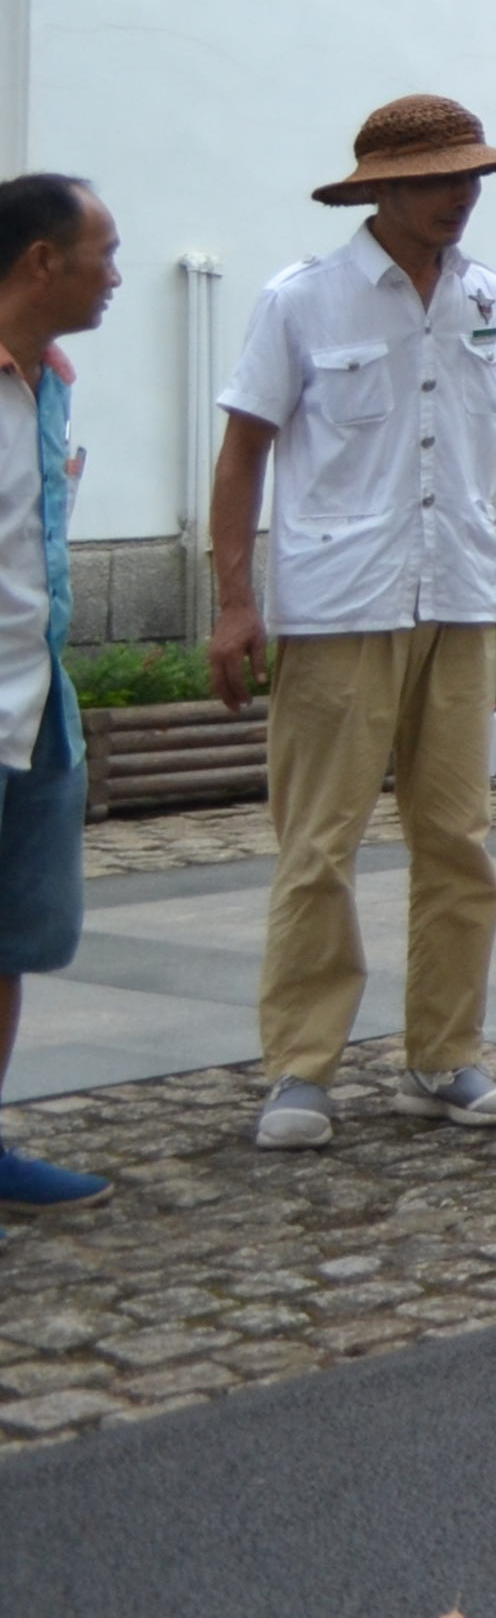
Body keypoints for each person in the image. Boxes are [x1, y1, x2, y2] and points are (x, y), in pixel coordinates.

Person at [208, 97, 496, 1148]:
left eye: (472, 179)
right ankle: (300, 1070)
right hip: (339, 604)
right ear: (381, 190)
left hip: (457, 594)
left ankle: (443, 1057)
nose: (461, 198)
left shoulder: (488, 299)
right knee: (319, 843)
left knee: (457, 839)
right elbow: (242, 455)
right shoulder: (303, 301)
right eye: (439, 180)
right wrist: (236, 601)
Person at [0, 175, 121, 1222]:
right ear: (43, 262)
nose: (115, 274)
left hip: (35, 702)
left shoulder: (55, 378)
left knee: (13, 938)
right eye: (103, 253)